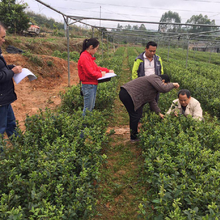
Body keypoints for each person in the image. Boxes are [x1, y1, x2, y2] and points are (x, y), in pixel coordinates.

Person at [119, 74, 179, 142]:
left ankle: (135, 135)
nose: (166, 86)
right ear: (163, 81)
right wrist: (173, 84)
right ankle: (133, 137)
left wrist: (159, 113)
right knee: (135, 116)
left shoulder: (153, 89)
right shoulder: (155, 78)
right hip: (128, 94)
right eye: (166, 84)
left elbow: (152, 101)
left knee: (137, 114)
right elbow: (164, 89)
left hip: (129, 95)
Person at [78, 38, 114, 116]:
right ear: (91, 47)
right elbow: (90, 72)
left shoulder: (88, 56)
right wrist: (101, 75)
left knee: (91, 107)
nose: (96, 51)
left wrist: (108, 70)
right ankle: (84, 125)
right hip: (88, 85)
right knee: (88, 108)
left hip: (92, 84)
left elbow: (96, 68)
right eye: (96, 49)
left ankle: (87, 124)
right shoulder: (84, 57)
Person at [0, 22, 23, 138]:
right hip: (1, 99)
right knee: (1, 128)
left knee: (11, 124)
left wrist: (11, 67)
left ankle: (19, 148)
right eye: (2, 37)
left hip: (5, 98)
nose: (4, 40)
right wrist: (12, 72)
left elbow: (2, 69)